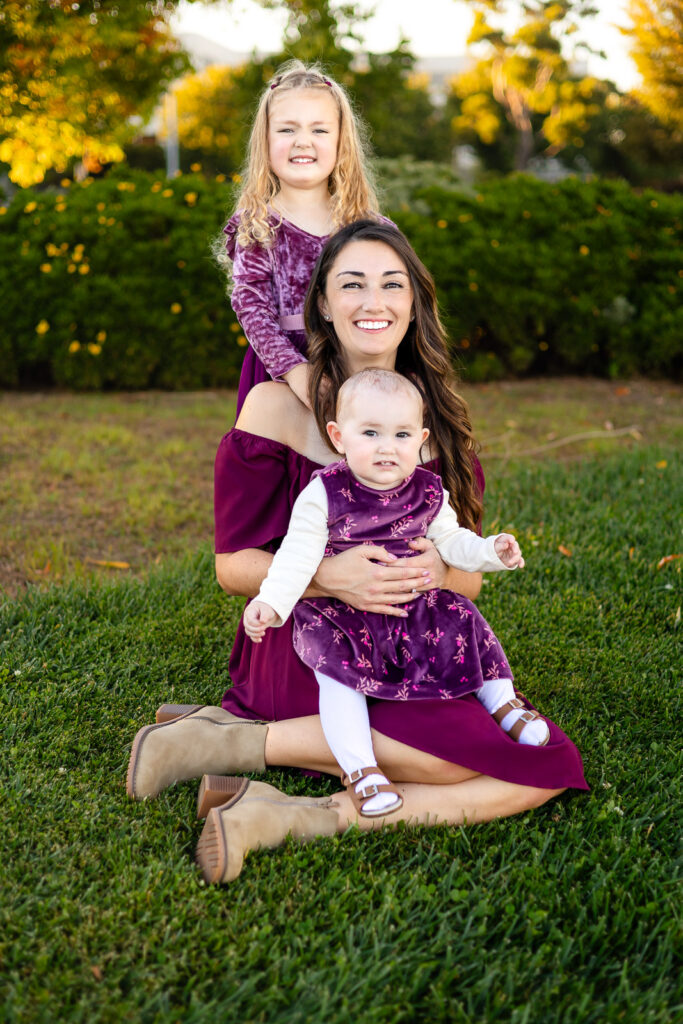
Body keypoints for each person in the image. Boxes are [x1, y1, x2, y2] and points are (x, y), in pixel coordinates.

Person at [127, 220, 587, 885]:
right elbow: (233, 569)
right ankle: (238, 737)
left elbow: (465, 584)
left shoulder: (432, 421)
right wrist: (328, 577)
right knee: (466, 762)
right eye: (352, 284)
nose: (373, 302)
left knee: (544, 770)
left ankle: (281, 811)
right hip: (305, 646)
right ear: (322, 304)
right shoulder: (272, 409)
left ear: (414, 302)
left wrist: (442, 569)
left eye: (391, 284)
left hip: (411, 648)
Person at [243, 367, 547, 819]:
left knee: (466, 622)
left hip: (415, 610)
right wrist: (271, 601)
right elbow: (297, 557)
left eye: (402, 434)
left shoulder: (429, 490)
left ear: (421, 440)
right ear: (339, 436)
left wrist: (490, 551)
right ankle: (361, 770)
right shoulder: (324, 492)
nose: (388, 447)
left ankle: (503, 703)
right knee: (339, 678)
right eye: (371, 433)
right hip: (344, 616)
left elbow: (453, 541)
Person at [217, 60, 382, 416]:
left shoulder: (368, 226)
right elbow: (252, 307)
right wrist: (296, 372)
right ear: (265, 140)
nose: (303, 142)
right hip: (283, 374)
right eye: (287, 130)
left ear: (341, 141)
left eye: (320, 131)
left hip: (359, 359)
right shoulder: (258, 225)